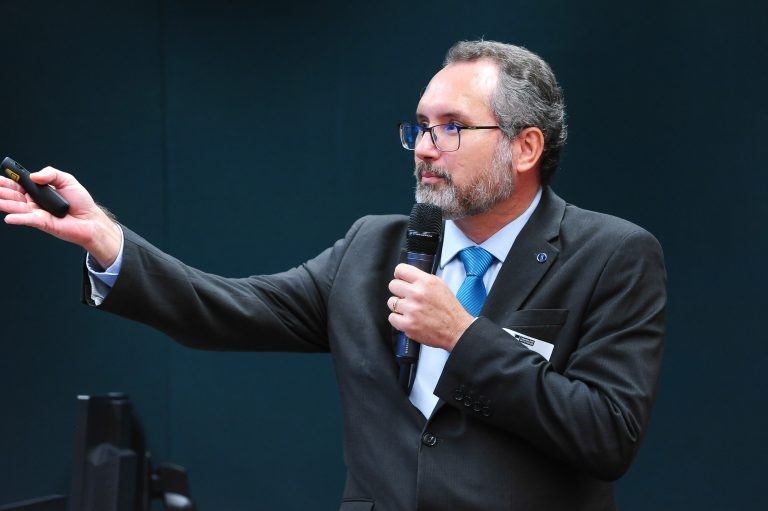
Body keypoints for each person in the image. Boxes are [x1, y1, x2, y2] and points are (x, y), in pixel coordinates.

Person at [0, 40, 666, 511]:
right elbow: (226, 307)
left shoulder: (611, 255)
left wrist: (464, 339)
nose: (425, 148)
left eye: (453, 128)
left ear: (525, 147)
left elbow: (606, 433)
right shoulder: (373, 248)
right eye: (420, 127)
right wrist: (108, 239)